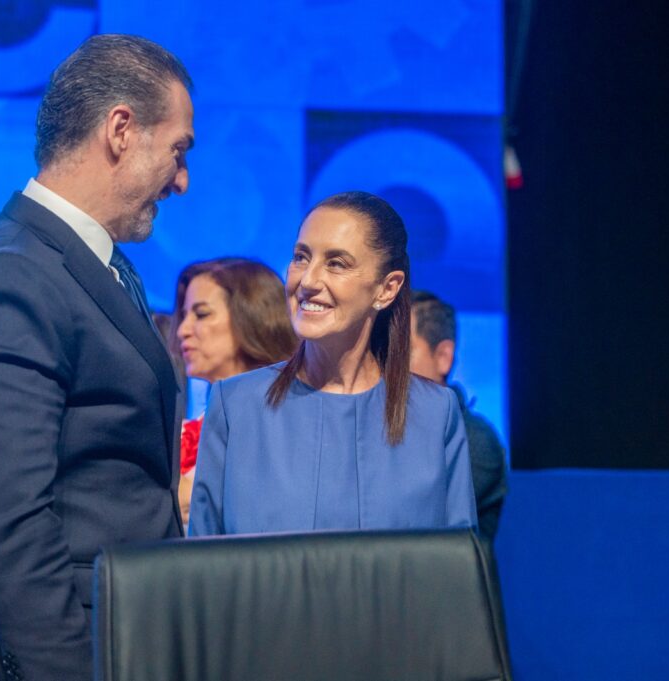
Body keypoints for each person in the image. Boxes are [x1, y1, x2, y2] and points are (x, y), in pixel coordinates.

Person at [0, 35, 194, 680]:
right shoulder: (12, 278)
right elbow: (8, 527)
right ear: (121, 130)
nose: (182, 180)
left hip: (127, 639)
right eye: (178, 150)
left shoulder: (93, 264)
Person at [188, 192, 477, 536]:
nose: (308, 281)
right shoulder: (236, 405)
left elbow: (457, 560)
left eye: (336, 263)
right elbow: (205, 558)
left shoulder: (435, 414)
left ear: (387, 289)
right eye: (301, 257)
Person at [171, 258, 297, 525]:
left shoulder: (291, 419)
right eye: (184, 315)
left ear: (252, 316)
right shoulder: (188, 429)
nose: (182, 330)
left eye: (201, 314)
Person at [409, 289, 508, 542]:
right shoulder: (373, 428)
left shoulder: (474, 440)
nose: (386, 365)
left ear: (443, 357)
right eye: (380, 351)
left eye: (402, 352)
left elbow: (416, 519)